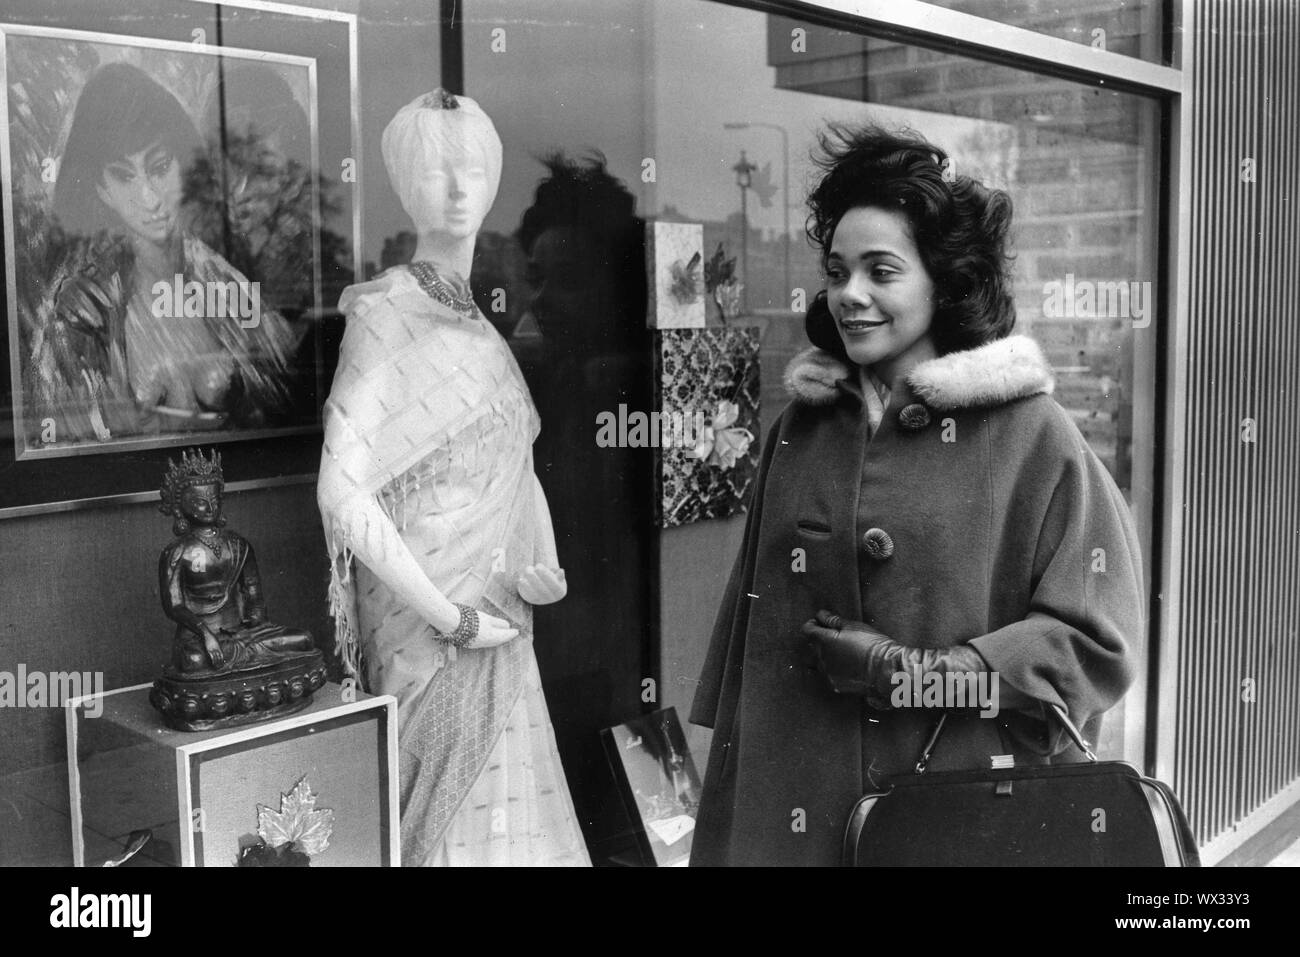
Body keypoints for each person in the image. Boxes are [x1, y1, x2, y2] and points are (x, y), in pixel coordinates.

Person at [689, 124, 1142, 866]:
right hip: (789, 823)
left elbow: (1095, 650)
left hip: (954, 821)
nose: (850, 296)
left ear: (944, 277)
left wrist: (905, 674)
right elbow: (750, 646)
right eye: (837, 272)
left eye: (881, 270)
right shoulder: (799, 427)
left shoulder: (1033, 434)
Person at [317, 89, 590, 866]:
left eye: (472, 169)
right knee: (442, 824)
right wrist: (451, 616)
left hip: (500, 610)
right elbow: (341, 491)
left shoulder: (476, 321)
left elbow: (516, 459)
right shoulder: (384, 314)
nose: (460, 188)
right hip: (431, 629)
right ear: (406, 184)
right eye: (437, 171)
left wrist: (547, 559)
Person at [29, 61, 301, 444]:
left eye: (159, 167)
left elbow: (284, 407)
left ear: (184, 165)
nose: (149, 198)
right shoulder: (80, 310)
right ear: (101, 189)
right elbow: (69, 450)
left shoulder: (224, 280)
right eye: (124, 176)